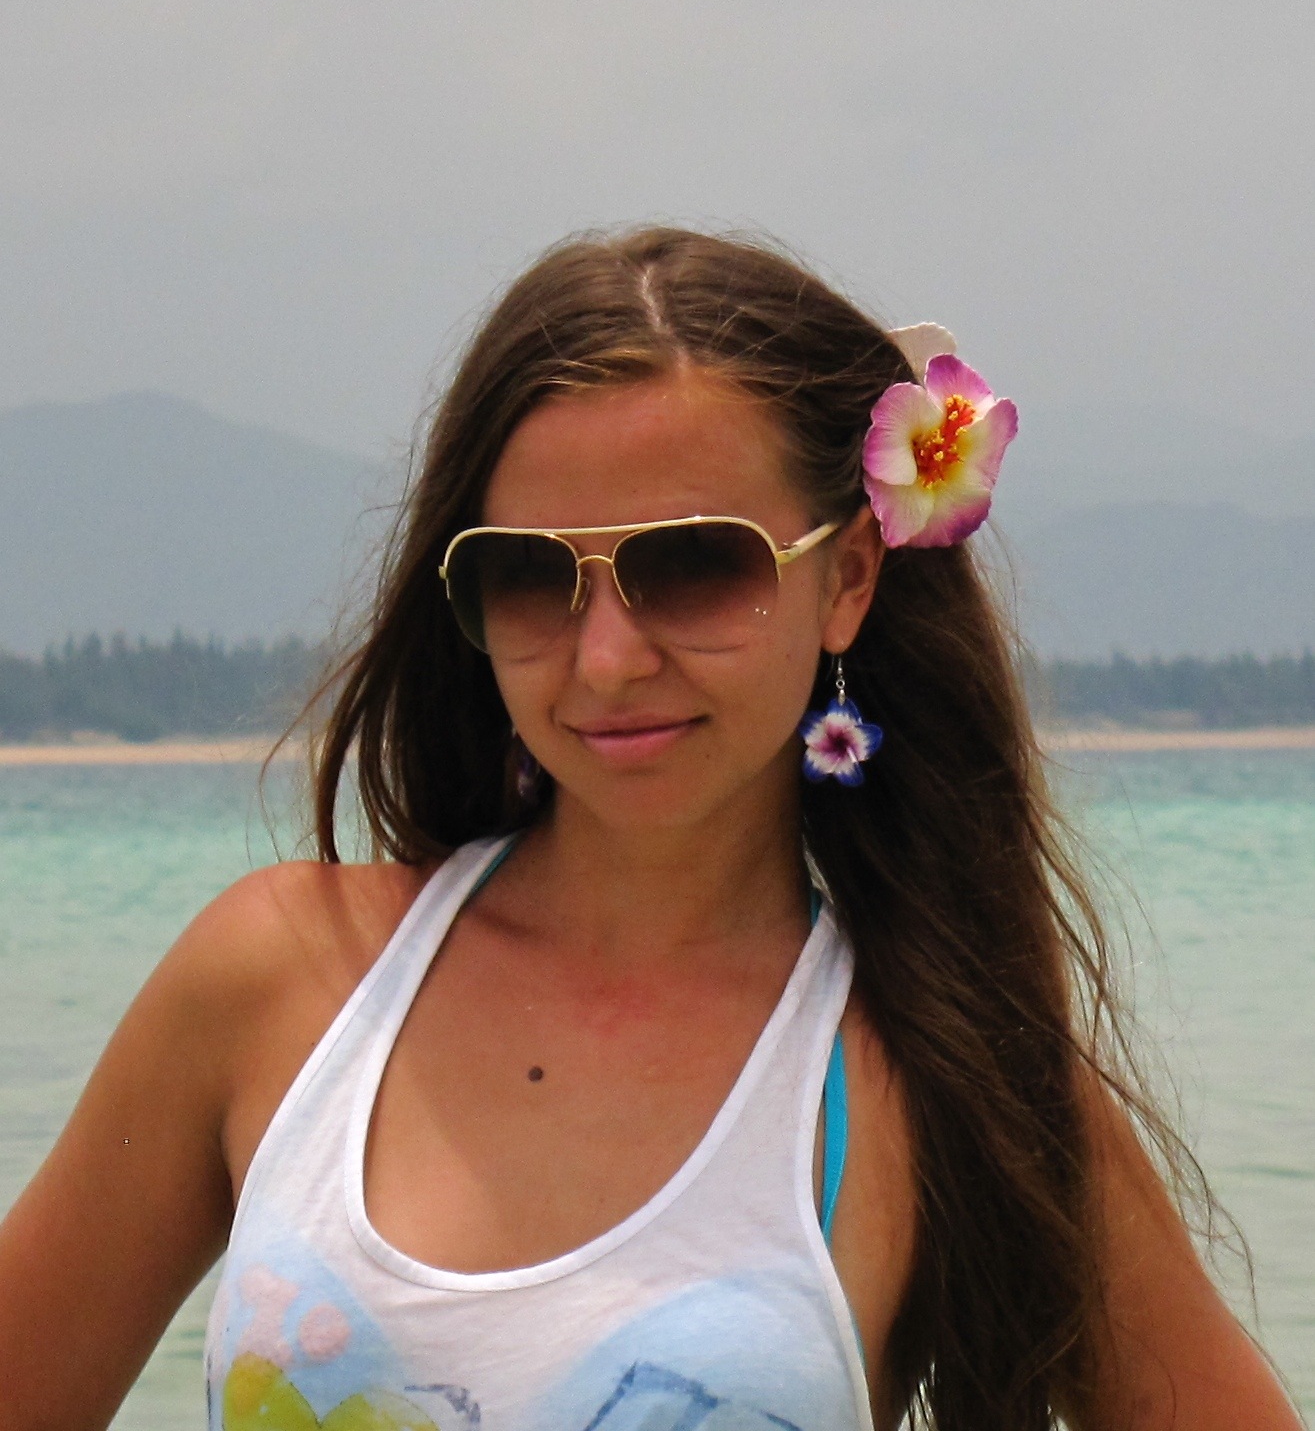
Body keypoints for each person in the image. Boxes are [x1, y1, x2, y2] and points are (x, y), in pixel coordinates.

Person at [0, 228, 1301, 1431]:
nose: (607, 658)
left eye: (693, 565)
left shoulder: (942, 1070)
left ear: (847, 577)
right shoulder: (278, 983)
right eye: (531, 576)